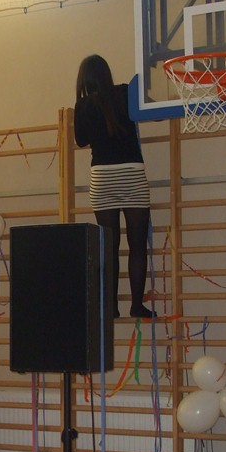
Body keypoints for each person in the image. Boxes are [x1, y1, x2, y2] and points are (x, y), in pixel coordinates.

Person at [74, 54, 154, 319]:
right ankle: (136, 305)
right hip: (131, 172)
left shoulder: (83, 105)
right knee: (137, 245)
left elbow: (81, 140)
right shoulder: (125, 93)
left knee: (108, 248)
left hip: (103, 177)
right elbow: (151, 111)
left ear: (84, 79)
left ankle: (111, 307)